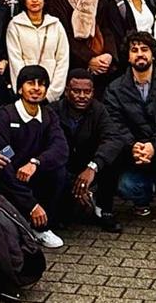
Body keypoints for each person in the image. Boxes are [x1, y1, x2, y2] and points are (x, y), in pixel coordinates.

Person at [99, 31, 156, 229]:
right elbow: (114, 124)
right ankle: (144, 197)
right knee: (125, 186)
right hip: (134, 157)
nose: (140, 54)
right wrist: (133, 146)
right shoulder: (114, 89)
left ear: (153, 55)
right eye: (134, 50)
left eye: (145, 49)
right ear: (128, 56)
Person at [0, 65, 70, 249]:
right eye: (30, 83)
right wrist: (31, 204)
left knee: (60, 172)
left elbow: (60, 147)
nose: (36, 88)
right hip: (11, 180)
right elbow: (2, 158)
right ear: (20, 88)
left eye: (41, 84)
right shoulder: (6, 115)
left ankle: (42, 228)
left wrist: (36, 163)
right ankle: (25, 224)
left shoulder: (49, 115)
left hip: (34, 174)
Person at [53, 70, 124, 232]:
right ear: (66, 91)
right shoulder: (53, 111)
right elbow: (51, 147)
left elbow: (114, 138)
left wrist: (93, 166)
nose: (82, 96)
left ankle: (104, 210)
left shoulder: (99, 110)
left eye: (87, 92)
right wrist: (75, 182)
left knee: (114, 154)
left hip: (89, 164)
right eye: (76, 91)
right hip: (63, 166)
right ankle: (62, 210)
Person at [47, 0, 122, 90]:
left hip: (99, 61)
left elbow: (106, 28)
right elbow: (63, 33)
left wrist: (109, 54)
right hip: (71, 62)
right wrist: (89, 59)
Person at [5, 0, 70, 103]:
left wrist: (51, 93)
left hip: (51, 93)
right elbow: (15, 60)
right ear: (24, 0)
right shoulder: (15, 25)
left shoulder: (56, 24)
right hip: (25, 94)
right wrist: (26, 89)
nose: (34, 0)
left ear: (45, 0)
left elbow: (62, 60)